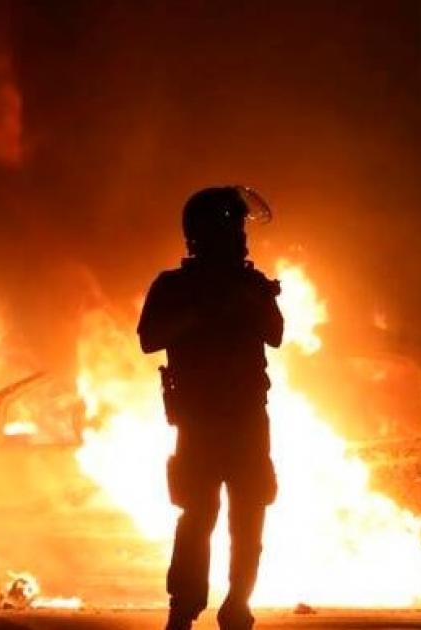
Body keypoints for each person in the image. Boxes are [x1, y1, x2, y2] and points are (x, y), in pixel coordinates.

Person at [137, 186, 284, 630]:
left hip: (246, 419)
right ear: (208, 232)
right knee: (198, 517)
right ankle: (184, 607)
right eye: (233, 228)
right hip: (200, 422)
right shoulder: (174, 286)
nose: (241, 237)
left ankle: (238, 602)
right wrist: (203, 313)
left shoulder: (251, 284)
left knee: (249, 516)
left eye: (241, 229)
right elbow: (149, 338)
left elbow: (275, 334)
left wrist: (247, 302)